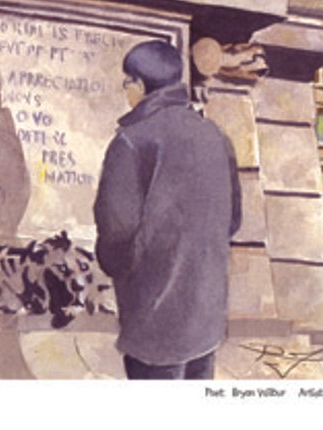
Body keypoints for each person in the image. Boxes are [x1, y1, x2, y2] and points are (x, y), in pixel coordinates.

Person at [94, 38, 242, 379]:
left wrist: (122, 267)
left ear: (141, 85)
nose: (126, 90)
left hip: (154, 317)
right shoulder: (215, 136)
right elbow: (233, 220)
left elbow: (116, 231)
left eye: (128, 82)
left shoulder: (132, 141)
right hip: (206, 316)